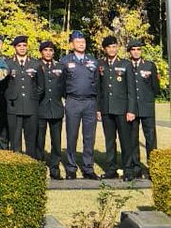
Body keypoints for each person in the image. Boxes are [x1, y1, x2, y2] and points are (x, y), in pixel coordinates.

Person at [60, 30, 100, 180]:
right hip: (73, 102)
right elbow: (61, 83)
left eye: (83, 41)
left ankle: (88, 168)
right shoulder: (64, 61)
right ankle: (71, 168)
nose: (81, 43)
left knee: (89, 137)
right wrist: (68, 97)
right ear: (72, 44)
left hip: (90, 102)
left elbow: (97, 83)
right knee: (72, 135)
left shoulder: (93, 61)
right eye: (78, 41)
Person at [98, 35, 136, 180]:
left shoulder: (126, 64)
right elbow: (99, 89)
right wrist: (98, 109)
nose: (112, 49)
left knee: (126, 141)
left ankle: (128, 170)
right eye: (109, 47)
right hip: (107, 109)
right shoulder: (100, 64)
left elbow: (131, 90)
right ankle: (111, 169)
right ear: (105, 49)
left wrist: (131, 110)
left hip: (122, 109)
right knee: (109, 141)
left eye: (114, 47)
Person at [4, 35, 43, 158]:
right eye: (19, 46)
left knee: (31, 140)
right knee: (15, 141)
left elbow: (40, 86)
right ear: (15, 47)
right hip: (13, 106)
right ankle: (16, 167)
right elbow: (3, 86)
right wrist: (9, 97)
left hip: (31, 107)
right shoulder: (8, 63)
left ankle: (30, 165)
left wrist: (33, 98)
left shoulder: (36, 64)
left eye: (24, 45)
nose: (22, 48)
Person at [127, 38, 159, 178]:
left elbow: (155, 87)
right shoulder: (126, 66)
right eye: (133, 49)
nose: (136, 52)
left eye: (138, 49)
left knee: (150, 138)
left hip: (146, 108)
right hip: (132, 109)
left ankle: (153, 167)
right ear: (129, 52)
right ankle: (136, 168)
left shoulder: (150, 66)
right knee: (133, 139)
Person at [37, 39, 65, 178]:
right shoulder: (36, 65)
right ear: (41, 52)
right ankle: (40, 167)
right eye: (45, 50)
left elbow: (64, 86)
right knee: (39, 141)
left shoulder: (60, 66)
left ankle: (55, 168)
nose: (48, 53)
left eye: (51, 50)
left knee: (56, 141)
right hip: (40, 109)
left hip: (56, 108)